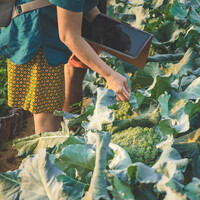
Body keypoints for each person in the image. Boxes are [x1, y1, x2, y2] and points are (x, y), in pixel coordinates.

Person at [0, 0, 130, 134]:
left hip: (42, 33)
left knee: (53, 109)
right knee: (46, 114)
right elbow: (69, 36)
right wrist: (110, 75)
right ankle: (46, 154)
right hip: (34, 39)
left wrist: (114, 34)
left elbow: (87, 7)